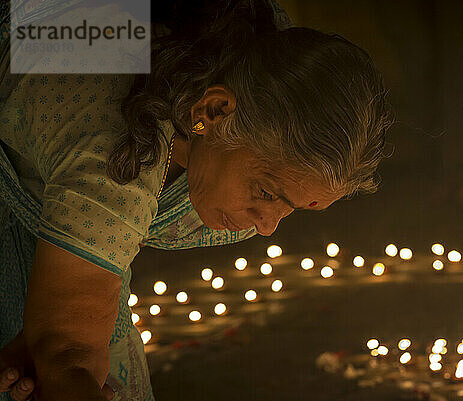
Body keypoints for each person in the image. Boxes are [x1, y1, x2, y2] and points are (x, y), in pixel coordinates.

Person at [0, 0, 393, 399]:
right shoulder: (115, 148)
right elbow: (67, 355)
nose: (268, 226)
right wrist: (60, 337)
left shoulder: (257, 68)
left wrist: (62, 321)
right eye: (267, 192)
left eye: (291, 208)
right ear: (215, 109)